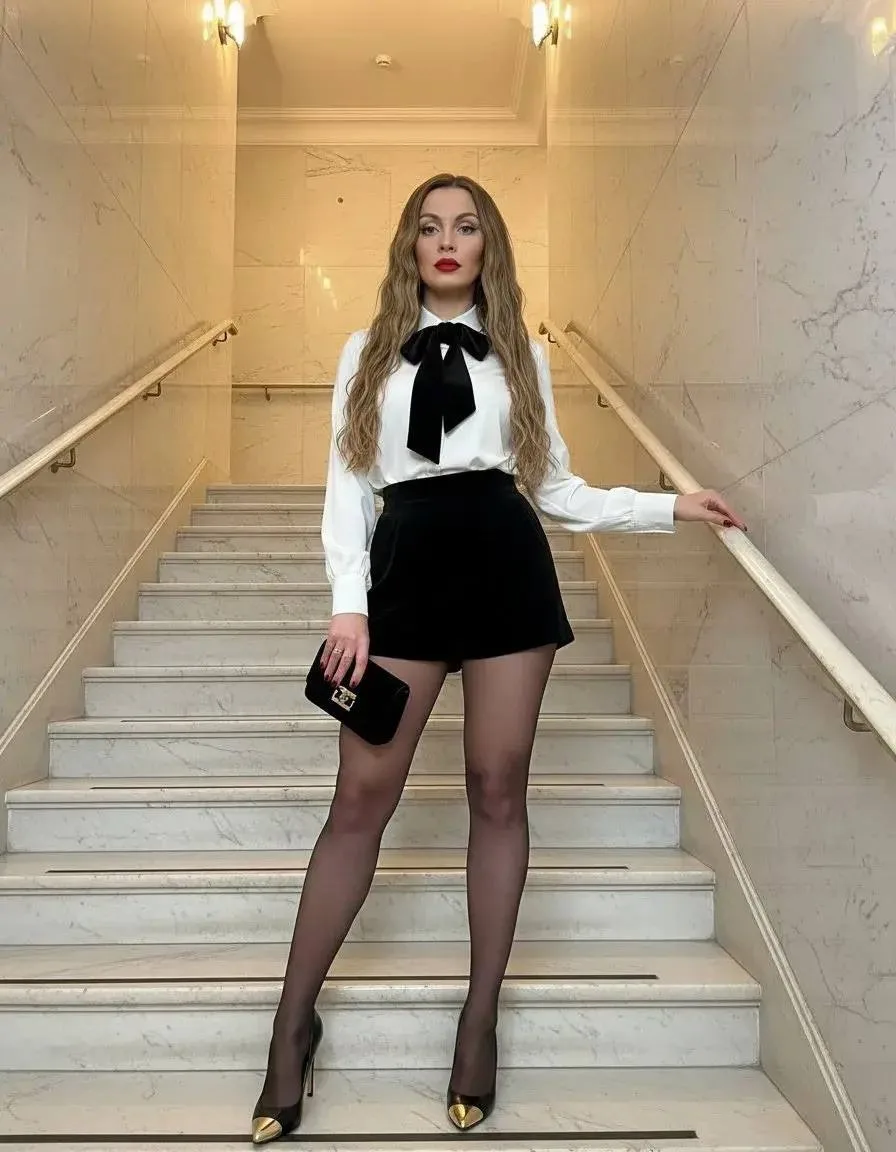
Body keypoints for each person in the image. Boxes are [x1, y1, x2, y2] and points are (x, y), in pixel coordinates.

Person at [250, 173, 745, 1145]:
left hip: (504, 566)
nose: (447, 240)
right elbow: (346, 487)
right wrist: (348, 606)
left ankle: (478, 1021)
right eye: (429, 226)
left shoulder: (522, 351)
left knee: (496, 787)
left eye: (466, 226)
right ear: (408, 244)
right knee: (359, 798)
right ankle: (290, 1024)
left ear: (488, 246)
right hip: (401, 569)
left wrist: (668, 507)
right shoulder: (366, 348)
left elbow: (555, 488)